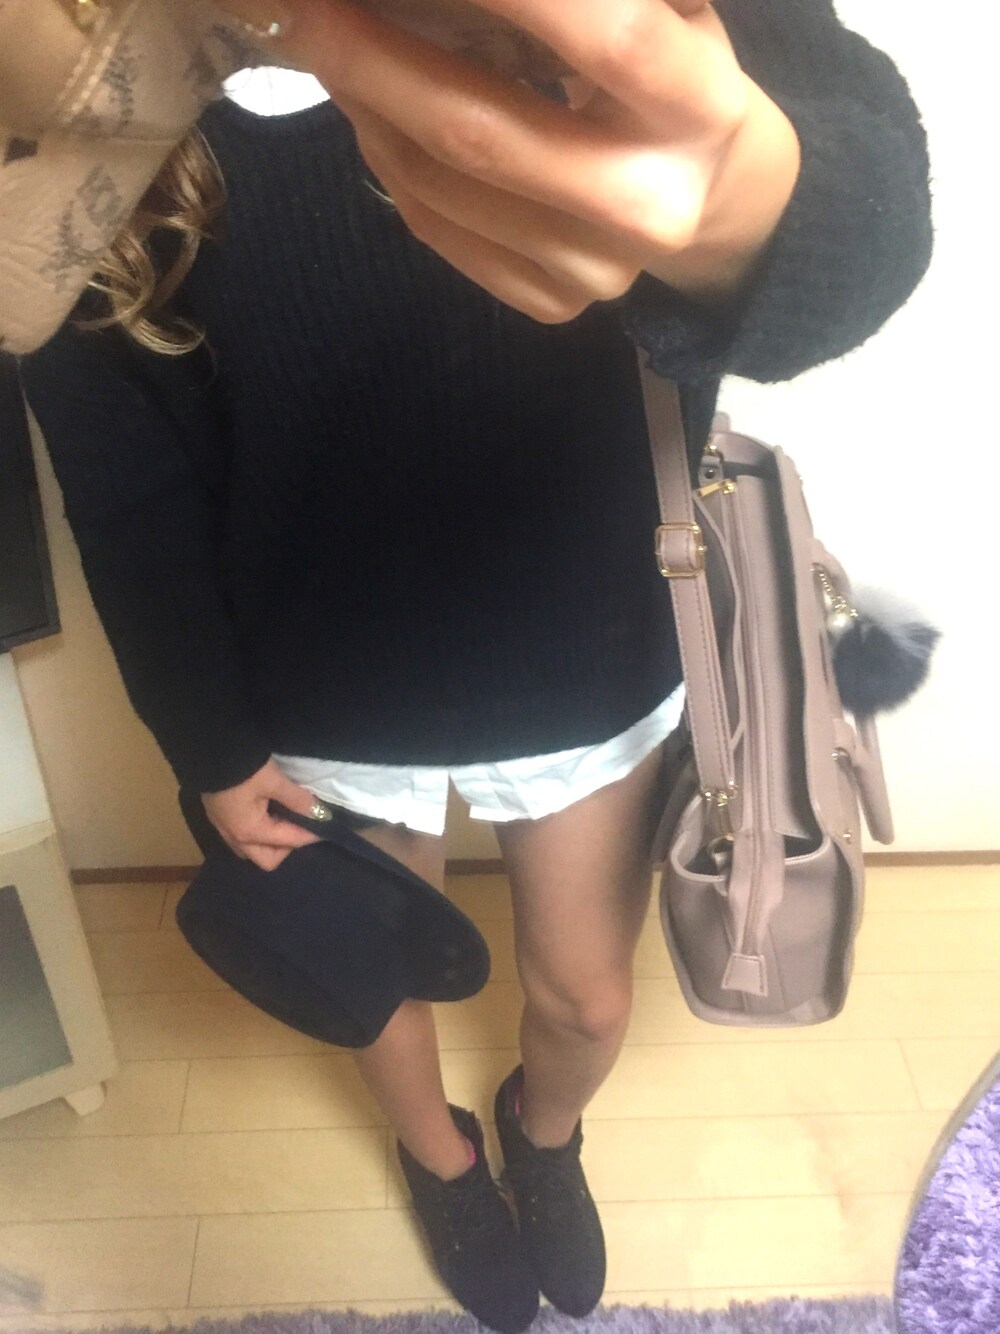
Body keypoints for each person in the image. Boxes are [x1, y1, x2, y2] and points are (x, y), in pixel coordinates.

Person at [18, 0, 933, 1328]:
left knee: (587, 998)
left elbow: (856, 171)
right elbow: (124, 490)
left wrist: (765, 216)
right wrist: (205, 738)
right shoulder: (84, 86)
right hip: (316, 670)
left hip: (587, 634)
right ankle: (439, 1158)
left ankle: (542, 1135)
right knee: (378, 977)